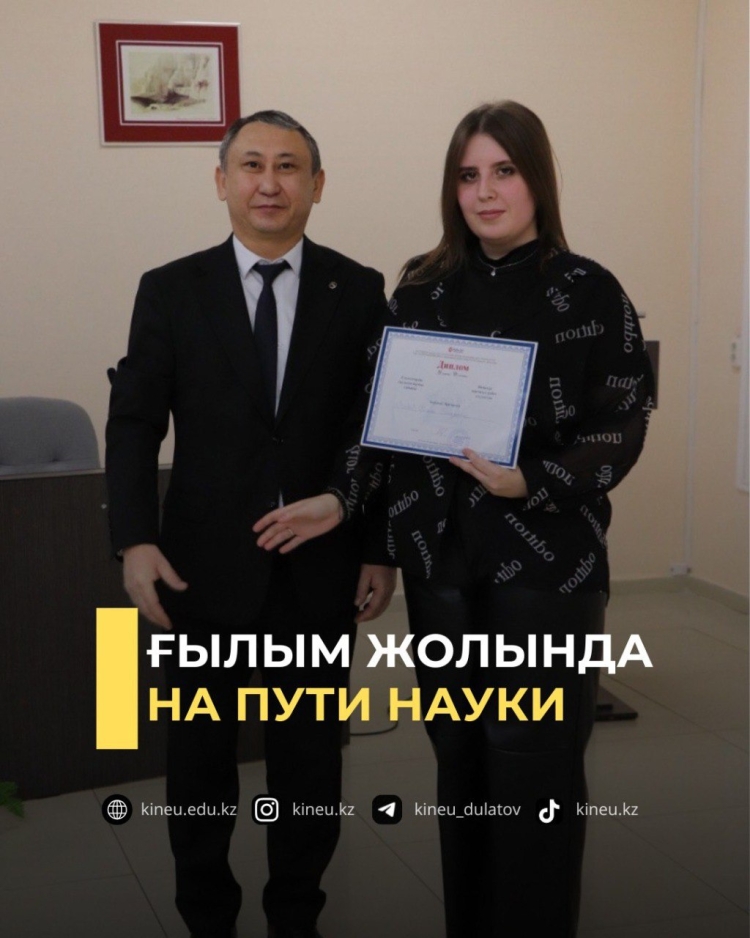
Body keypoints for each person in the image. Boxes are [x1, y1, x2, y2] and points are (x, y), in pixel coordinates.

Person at [254, 101, 654, 937]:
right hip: (440, 570)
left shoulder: (590, 290)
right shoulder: (423, 287)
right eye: (469, 176)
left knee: (534, 774)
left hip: (547, 571)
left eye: (504, 171)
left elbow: (621, 424)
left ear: (538, 179)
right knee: (462, 769)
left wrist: (532, 479)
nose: (485, 192)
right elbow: (378, 420)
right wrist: (343, 498)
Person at [105, 109, 397, 938]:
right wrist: (134, 539)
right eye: (252, 165)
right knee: (199, 765)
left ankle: (296, 913)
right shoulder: (171, 288)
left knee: (309, 765)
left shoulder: (357, 288)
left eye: (289, 166)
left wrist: (378, 548)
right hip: (198, 574)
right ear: (222, 180)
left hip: (318, 570)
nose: (270, 183)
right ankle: (207, 915)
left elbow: (377, 427)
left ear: (317, 185)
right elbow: (135, 422)